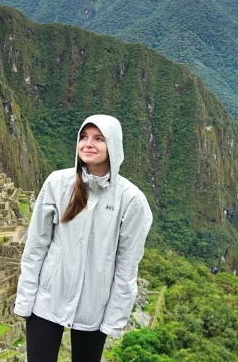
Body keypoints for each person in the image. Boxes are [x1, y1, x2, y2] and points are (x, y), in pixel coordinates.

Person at [14, 115, 153, 362]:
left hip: (93, 309)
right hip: (47, 299)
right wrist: (25, 300)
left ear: (113, 145)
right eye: (84, 137)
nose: (88, 144)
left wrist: (113, 319)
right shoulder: (58, 183)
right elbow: (36, 246)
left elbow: (127, 265)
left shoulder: (130, 200)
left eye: (98, 139)